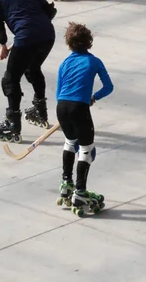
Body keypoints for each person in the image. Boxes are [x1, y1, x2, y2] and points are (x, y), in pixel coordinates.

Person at [0, 0, 57, 143]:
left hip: (27, 39)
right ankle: (40, 112)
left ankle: (13, 124)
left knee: (10, 79)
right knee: (33, 68)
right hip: (48, 35)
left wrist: (3, 45)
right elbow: (49, 11)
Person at [55, 22, 114, 216]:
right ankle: (80, 192)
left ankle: (66, 183)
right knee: (87, 151)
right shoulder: (93, 62)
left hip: (62, 106)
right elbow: (108, 87)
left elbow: (58, 92)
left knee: (69, 142)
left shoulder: (64, 63)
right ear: (89, 41)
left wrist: (65, 111)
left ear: (69, 43)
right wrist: (93, 97)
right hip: (79, 108)